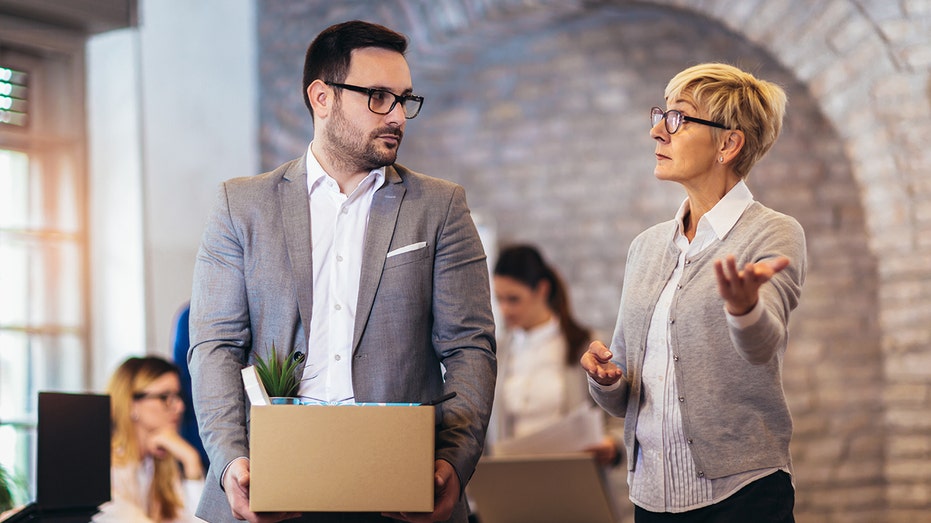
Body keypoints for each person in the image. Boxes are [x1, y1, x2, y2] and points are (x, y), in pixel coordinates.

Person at [188, 20, 497, 523]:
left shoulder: (440, 207)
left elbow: (470, 348)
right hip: (273, 481)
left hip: (399, 486)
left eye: (404, 99)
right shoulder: (240, 205)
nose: (397, 114)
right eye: (378, 96)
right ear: (322, 97)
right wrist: (230, 462)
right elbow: (215, 346)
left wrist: (452, 461)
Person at [581, 62, 806, 522]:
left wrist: (744, 309)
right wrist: (605, 379)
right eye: (661, 115)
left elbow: (764, 343)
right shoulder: (645, 247)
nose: (658, 132)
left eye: (679, 118)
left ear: (728, 143)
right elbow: (624, 391)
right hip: (651, 497)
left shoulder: (773, 233)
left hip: (742, 497)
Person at [489, 244, 620, 466]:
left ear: (541, 290)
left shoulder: (585, 345)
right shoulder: (497, 352)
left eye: (513, 299)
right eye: (499, 299)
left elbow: (617, 412)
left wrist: (613, 445)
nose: (504, 310)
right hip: (513, 476)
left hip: (572, 476)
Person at [94, 356, 205, 523]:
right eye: (165, 397)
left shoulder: (160, 464)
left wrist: (191, 461)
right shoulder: (102, 469)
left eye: (178, 396)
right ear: (131, 404)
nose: (180, 406)